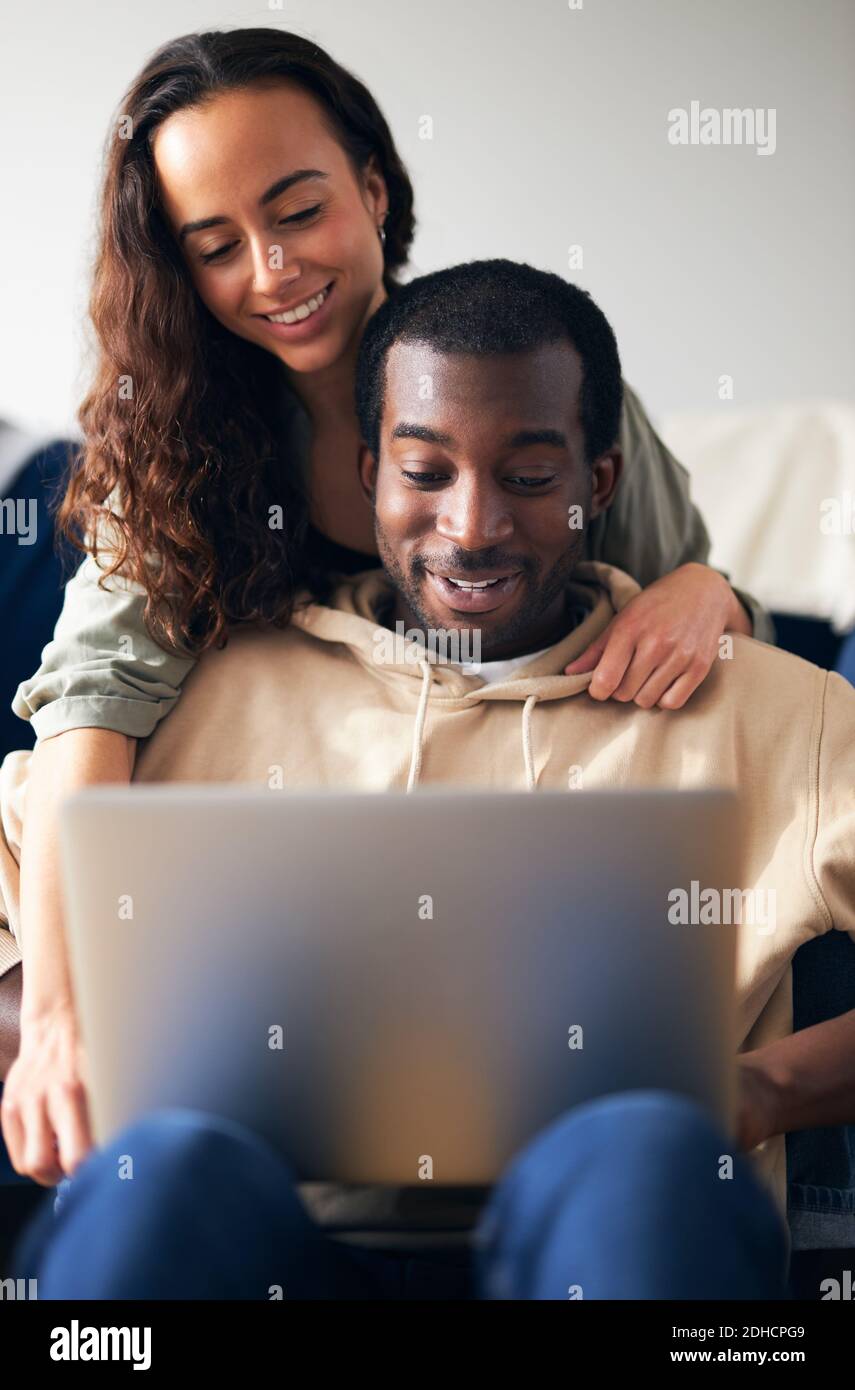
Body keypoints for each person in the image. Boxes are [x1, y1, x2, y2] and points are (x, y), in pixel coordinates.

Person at [2, 27, 769, 1190]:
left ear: (371, 188)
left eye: (297, 211)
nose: (272, 270)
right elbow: (84, 718)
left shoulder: (541, 372)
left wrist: (711, 594)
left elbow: (700, 622)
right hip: (269, 905)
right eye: (217, 246)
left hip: (516, 875)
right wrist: (62, 1011)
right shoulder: (167, 453)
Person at [4, 259, 853, 1298]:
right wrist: (86, 1040)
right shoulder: (205, 694)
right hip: (264, 1227)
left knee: (650, 1162)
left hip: (598, 1219)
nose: (472, 526)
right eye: (427, 472)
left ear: (601, 483)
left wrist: (763, 1089)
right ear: (367, 474)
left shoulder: (778, 710)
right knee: (161, 1176)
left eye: (530, 478)